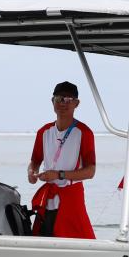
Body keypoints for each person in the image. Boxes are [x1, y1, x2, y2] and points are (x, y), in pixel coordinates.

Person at [27, 82, 96, 239]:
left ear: (76, 103)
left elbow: (90, 172)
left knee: (79, 245)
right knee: (43, 245)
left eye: (67, 99)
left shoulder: (84, 133)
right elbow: (35, 161)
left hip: (72, 200)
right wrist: (32, 172)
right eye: (58, 99)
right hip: (48, 201)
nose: (62, 103)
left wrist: (59, 175)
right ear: (52, 102)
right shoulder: (44, 132)